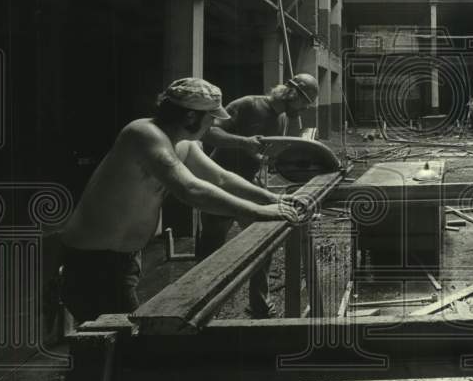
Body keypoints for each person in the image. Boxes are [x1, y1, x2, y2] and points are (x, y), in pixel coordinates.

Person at [55, 78, 305, 325]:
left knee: (124, 349)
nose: (213, 124)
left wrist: (275, 198)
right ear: (189, 117)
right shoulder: (144, 133)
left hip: (124, 259)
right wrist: (261, 212)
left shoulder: (184, 143)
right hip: (93, 263)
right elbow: (190, 188)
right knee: (128, 350)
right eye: (210, 117)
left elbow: (221, 177)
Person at [197, 73, 319, 317]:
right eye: (305, 102)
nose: (306, 108)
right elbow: (208, 132)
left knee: (263, 242)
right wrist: (244, 142)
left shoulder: (283, 117)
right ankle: (201, 307)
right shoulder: (248, 104)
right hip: (220, 181)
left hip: (248, 182)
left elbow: (265, 152)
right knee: (211, 248)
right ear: (294, 94)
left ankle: (260, 304)